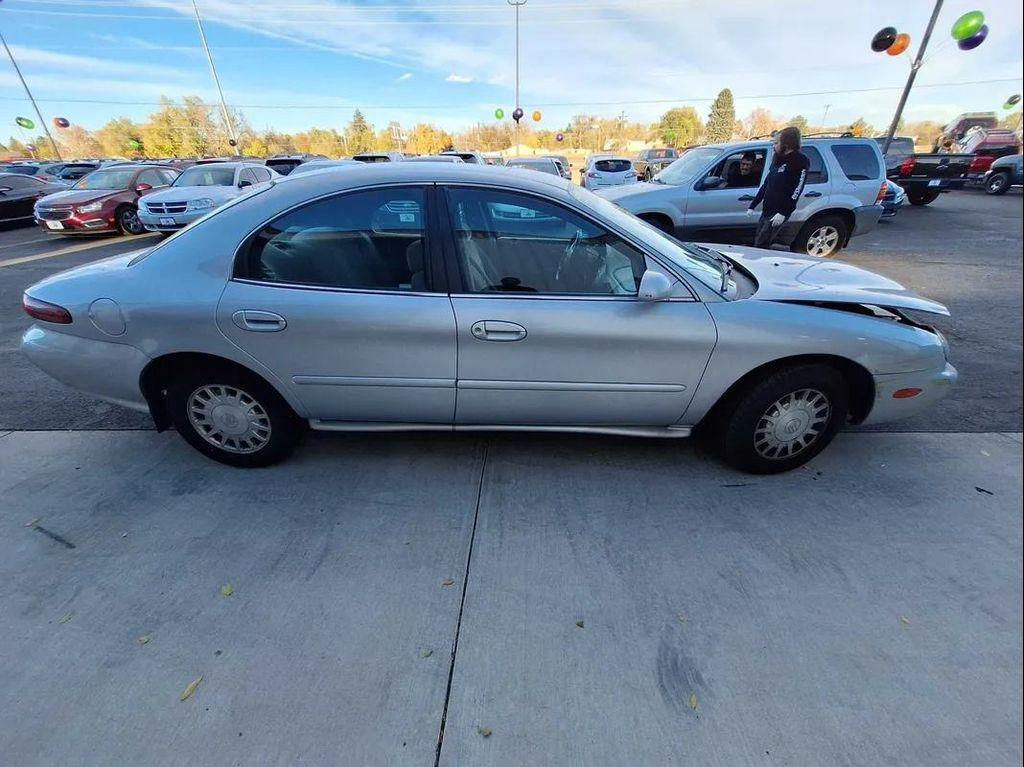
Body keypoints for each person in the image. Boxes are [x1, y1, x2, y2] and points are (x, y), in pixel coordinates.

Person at [747, 127, 809, 249]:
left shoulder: (800, 161)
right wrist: (753, 205)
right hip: (767, 209)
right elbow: (767, 183)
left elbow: (798, 188)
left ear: (786, 144)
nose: (773, 146)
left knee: (762, 244)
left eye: (776, 143)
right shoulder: (778, 158)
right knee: (758, 238)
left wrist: (784, 212)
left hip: (779, 211)